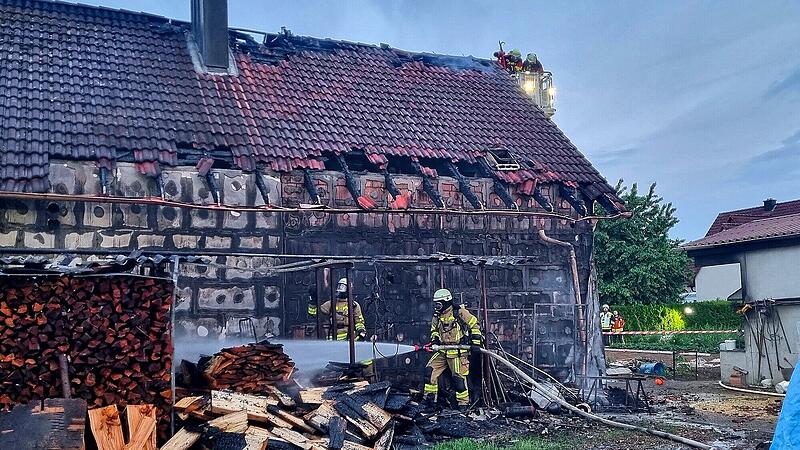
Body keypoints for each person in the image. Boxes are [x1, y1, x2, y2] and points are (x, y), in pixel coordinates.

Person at [423, 288, 482, 410]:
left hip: (457, 352)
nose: (437, 306)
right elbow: (434, 330)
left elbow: (474, 325)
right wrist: (435, 340)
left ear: (446, 301)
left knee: (458, 379)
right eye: (436, 303)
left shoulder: (459, 312)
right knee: (429, 371)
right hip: (443, 350)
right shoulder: (437, 315)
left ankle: (463, 404)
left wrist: (476, 343)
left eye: (439, 303)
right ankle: (430, 401)